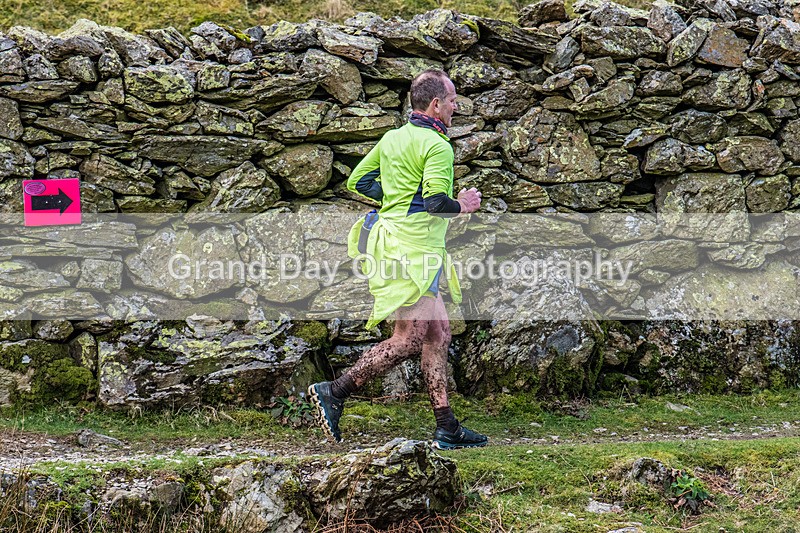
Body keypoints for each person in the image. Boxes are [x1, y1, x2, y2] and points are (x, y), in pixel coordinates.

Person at [308, 69, 487, 450]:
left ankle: (447, 426)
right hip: (413, 252)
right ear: (436, 104)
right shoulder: (437, 146)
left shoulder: (392, 138)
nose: (455, 107)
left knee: (439, 333)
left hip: (400, 245)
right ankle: (335, 390)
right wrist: (464, 205)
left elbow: (358, 181)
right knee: (409, 339)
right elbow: (436, 203)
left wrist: (396, 201)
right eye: (452, 101)